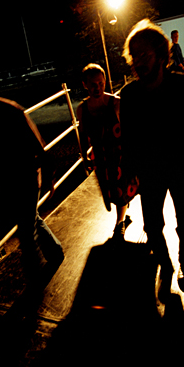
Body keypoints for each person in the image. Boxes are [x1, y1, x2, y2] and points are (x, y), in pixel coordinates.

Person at [120, 20, 184, 300]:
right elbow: (128, 138)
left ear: (161, 55)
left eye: (145, 55)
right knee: (151, 226)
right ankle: (165, 264)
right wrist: (128, 170)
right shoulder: (129, 95)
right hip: (149, 173)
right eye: (135, 56)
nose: (139, 62)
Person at [0, 57, 64, 281]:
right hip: (4, 183)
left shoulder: (8, 111)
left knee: (26, 235)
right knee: (30, 220)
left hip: (26, 178)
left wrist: (48, 180)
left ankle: (34, 291)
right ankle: (55, 251)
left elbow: (40, 149)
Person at [77, 63, 139, 240]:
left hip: (120, 154)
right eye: (93, 84)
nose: (97, 88)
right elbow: (82, 135)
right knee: (110, 191)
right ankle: (122, 216)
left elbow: (130, 131)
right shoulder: (83, 109)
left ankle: (119, 223)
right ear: (85, 85)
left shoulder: (116, 103)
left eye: (101, 83)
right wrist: (84, 157)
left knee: (121, 189)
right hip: (100, 157)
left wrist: (133, 156)